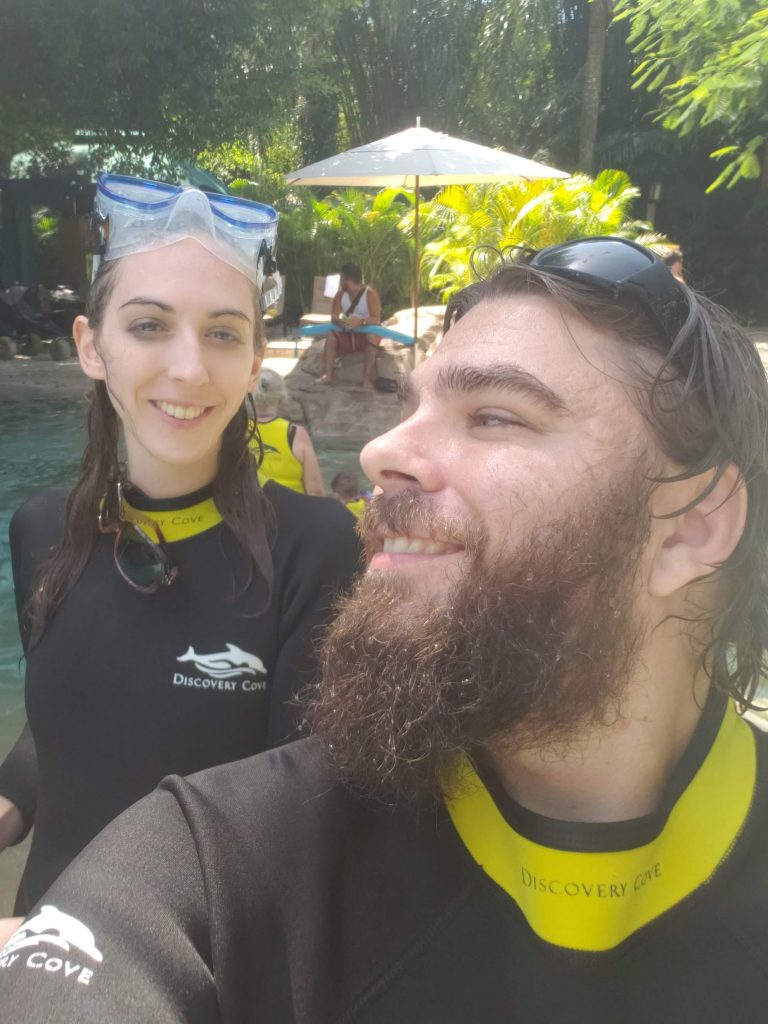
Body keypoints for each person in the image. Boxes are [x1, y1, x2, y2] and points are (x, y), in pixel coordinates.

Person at [3, 237, 768, 1022]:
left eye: (493, 416)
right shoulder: (222, 851)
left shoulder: (304, 546)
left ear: (692, 529)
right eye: (411, 408)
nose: (379, 452)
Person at [0, 174, 361, 921]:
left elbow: (296, 831)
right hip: (32, 943)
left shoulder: (314, 550)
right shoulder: (42, 530)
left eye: (223, 333)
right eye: (148, 326)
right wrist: (11, 796)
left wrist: (63, 950)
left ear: (254, 361)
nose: (190, 369)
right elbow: (74, 714)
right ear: (91, 346)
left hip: (194, 966)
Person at [250, 367, 325, 495]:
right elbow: (315, 490)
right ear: (281, 396)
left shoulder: (238, 431)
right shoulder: (295, 433)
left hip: (250, 504)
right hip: (292, 505)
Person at [318, 262, 382, 386]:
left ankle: (366, 379)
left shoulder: (370, 294)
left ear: (346, 280)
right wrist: (343, 321)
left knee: (371, 336)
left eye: (341, 278)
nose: (339, 282)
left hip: (365, 335)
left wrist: (361, 321)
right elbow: (334, 316)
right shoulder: (340, 295)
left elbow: (376, 319)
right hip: (348, 333)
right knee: (332, 335)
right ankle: (327, 375)